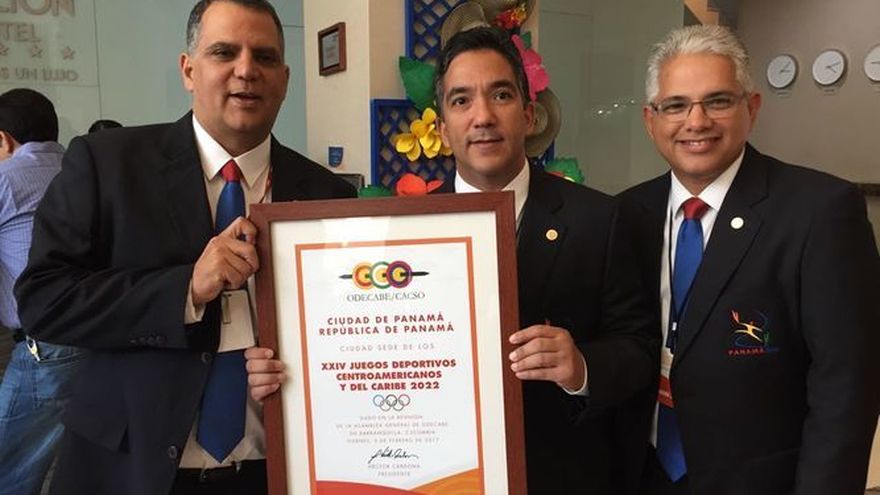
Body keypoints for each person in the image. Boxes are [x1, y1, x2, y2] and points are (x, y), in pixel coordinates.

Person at [246, 26, 658, 494]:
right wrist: (291, 368)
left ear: (528, 115)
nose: (483, 116)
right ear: (442, 129)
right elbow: (358, 344)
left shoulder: (599, 219)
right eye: (461, 101)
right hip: (435, 477)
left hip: (559, 475)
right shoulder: (401, 231)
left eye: (500, 95)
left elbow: (639, 347)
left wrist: (580, 366)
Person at [14, 1, 355, 494]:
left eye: (264, 57)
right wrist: (185, 290)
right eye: (224, 52)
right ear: (188, 70)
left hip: (274, 472)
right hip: (130, 471)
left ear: (284, 79)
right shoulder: (109, 165)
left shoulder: (328, 194)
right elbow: (44, 301)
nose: (246, 70)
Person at [615, 25, 880, 495]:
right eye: (676, 105)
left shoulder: (821, 211)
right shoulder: (627, 213)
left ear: (751, 108)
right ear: (650, 120)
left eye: (717, 101)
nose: (696, 121)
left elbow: (846, 388)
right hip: (644, 474)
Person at [0, 89, 86, 495]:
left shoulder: (5, 179)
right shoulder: (82, 171)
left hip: (47, 348)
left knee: (10, 472)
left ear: (3, 139)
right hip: (104, 338)